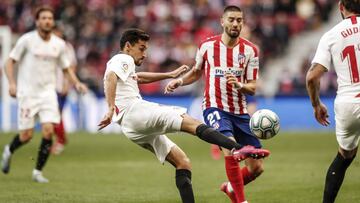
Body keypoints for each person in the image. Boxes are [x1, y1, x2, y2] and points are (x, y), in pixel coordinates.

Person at [98, 28, 270, 203]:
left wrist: (169, 74)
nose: (145, 54)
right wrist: (110, 107)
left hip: (130, 128)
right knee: (190, 122)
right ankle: (237, 147)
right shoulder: (122, 58)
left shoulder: (124, 65)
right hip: (135, 111)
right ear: (128, 46)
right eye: (142, 48)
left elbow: (137, 78)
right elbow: (111, 76)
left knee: (182, 162)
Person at [165, 5, 265, 203]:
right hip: (215, 107)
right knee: (231, 150)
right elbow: (196, 71)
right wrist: (180, 81)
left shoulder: (251, 51)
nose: (235, 23)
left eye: (239, 20)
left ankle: (230, 187)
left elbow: (253, 87)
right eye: (231, 20)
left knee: (257, 168)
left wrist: (239, 85)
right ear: (222, 21)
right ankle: (241, 201)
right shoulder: (207, 46)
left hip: (240, 111)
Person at [1, 6, 87, 183]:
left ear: (52, 21)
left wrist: (76, 83)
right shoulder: (27, 40)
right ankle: (9, 150)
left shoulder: (59, 44)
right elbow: (9, 62)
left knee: (48, 131)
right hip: (28, 94)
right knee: (27, 136)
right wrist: (11, 83)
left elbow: (66, 68)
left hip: (48, 93)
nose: (47, 20)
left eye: (50, 18)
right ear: (37, 21)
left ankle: (37, 172)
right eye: (44, 18)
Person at [306, 1, 360, 202]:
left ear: (340, 7)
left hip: (347, 103)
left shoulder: (331, 35)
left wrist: (316, 104)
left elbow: (312, 77)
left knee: (345, 156)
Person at [52, 24, 78, 155]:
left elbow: (72, 67)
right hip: (49, 86)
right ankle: (60, 139)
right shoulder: (49, 46)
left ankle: (61, 140)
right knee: (53, 114)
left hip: (60, 86)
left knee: (55, 114)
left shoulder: (67, 47)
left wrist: (67, 84)